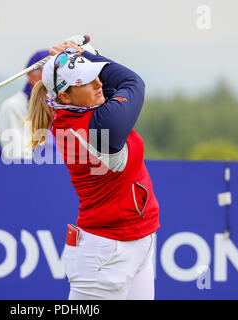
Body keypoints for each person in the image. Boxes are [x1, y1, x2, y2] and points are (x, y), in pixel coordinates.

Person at [27, 38, 160, 300]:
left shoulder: (83, 108)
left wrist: (85, 58)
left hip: (137, 241)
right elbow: (133, 83)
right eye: (86, 81)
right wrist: (91, 55)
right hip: (104, 254)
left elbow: (109, 85)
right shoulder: (98, 127)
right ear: (64, 96)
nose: (99, 83)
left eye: (95, 76)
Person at [0, 49, 57, 162]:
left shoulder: (60, 107)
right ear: (33, 77)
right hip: (27, 176)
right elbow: (19, 158)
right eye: (51, 72)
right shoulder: (13, 107)